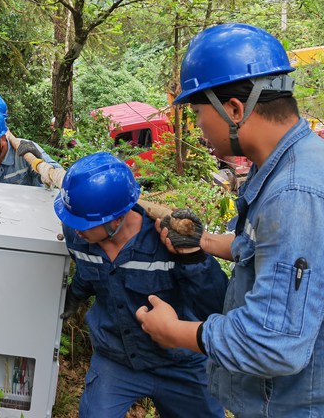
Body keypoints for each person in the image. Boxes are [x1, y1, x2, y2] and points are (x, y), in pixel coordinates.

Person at [135, 23, 324, 415]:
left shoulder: (293, 194)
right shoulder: (283, 163)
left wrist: (176, 332)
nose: (199, 128)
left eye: (200, 114)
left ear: (234, 110)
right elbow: (263, 249)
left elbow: (272, 341)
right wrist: (200, 241)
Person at [55, 152, 226, 417]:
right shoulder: (78, 233)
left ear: (116, 218)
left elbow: (215, 305)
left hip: (180, 362)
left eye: (84, 224)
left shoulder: (166, 243)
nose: (75, 229)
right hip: (116, 357)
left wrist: (195, 259)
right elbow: (89, 274)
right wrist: (74, 296)